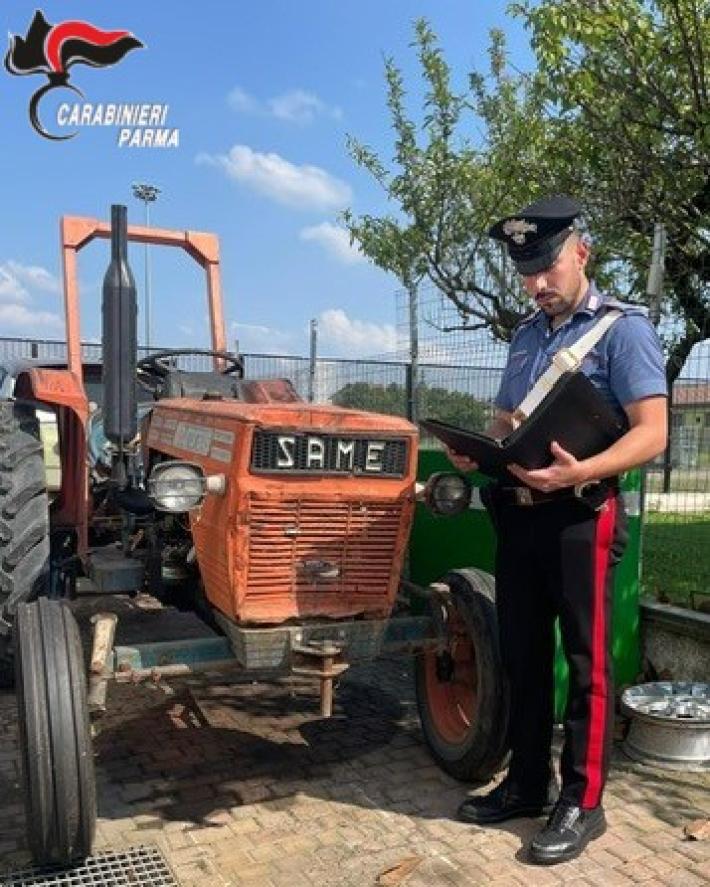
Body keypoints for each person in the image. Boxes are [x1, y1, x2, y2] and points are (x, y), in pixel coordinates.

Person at [449, 195, 668, 865]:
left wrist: (586, 468)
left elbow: (653, 432)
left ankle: (584, 799)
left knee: (585, 661)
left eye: (547, 267)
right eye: (525, 272)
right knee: (519, 651)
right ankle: (525, 780)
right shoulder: (524, 334)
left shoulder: (623, 330)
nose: (537, 284)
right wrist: (479, 445)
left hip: (580, 516)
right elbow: (508, 419)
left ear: (582, 252)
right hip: (518, 513)